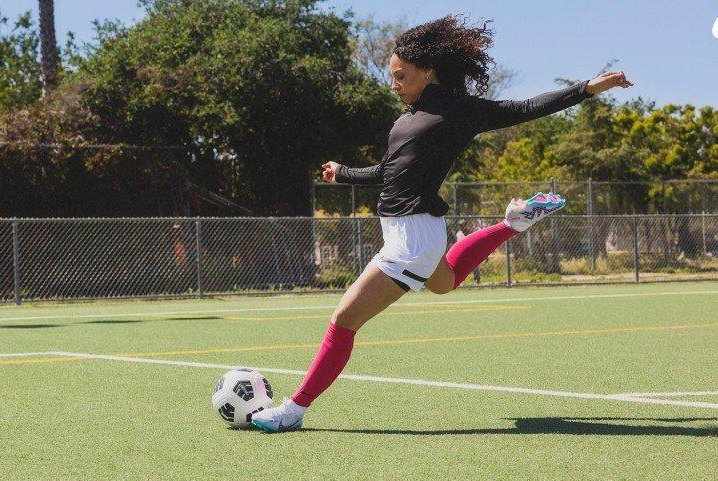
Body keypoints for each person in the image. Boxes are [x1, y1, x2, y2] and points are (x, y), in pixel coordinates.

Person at [252, 15, 633, 432]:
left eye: (401, 76)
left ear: (427, 71)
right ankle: (513, 224)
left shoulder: (459, 111)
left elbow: (525, 108)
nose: (394, 84)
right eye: (392, 77)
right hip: (409, 232)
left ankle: (294, 410)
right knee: (445, 282)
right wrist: (343, 173)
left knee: (344, 319)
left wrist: (588, 88)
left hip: (413, 238)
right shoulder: (406, 118)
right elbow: (389, 172)